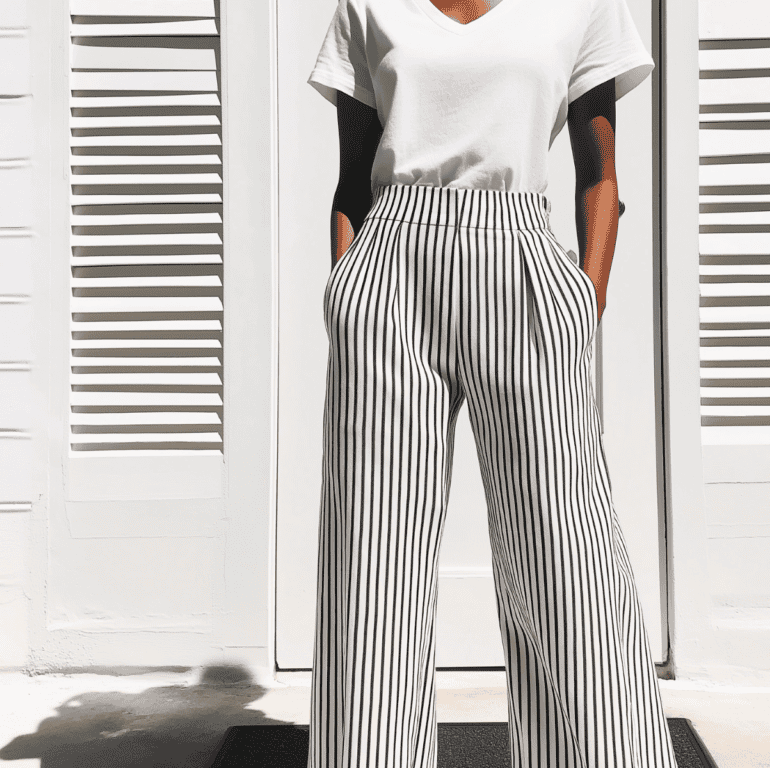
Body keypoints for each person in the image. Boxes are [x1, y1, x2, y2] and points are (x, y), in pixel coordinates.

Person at [306, 0, 679, 766]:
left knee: (565, 549)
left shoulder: (583, 6)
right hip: (390, 275)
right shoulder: (368, 6)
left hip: (523, 256)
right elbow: (352, 181)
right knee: (372, 559)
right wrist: (348, 293)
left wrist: (586, 298)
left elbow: (601, 172)